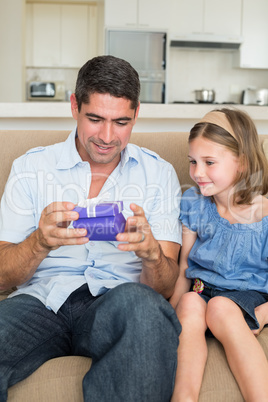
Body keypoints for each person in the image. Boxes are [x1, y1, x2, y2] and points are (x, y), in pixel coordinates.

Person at [0, 55, 182, 402]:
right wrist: (38, 242)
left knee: (146, 310)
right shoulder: (31, 167)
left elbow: (165, 286)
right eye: (95, 119)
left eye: (121, 122)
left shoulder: (158, 174)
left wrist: (152, 254)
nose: (107, 136)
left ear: (137, 115)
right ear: (74, 106)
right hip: (40, 302)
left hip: (119, 301)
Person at [169, 108, 268, 401]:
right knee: (189, 302)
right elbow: (184, 264)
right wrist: (169, 311)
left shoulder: (264, 214)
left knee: (221, 308)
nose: (197, 173)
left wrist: (262, 315)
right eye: (193, 162)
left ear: (242, 162)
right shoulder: (194, 203)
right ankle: (183, 398)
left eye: (209, 162)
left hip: (244, 297)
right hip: (202, 292)